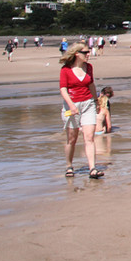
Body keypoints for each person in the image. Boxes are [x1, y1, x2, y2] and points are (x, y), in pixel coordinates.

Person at [59, 43, 102, 178]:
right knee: (72, 139)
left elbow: (91, 85)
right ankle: (69, 166)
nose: (89, 54)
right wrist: (71, 105)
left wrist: (96, 101)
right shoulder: (65, 70)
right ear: (77, 54)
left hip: (88, 103)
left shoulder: (89, 67)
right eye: (85, 52)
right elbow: (63, 89)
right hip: (71, 105)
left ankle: (92, 168)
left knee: (89, 137)